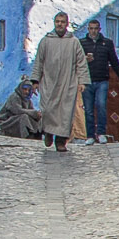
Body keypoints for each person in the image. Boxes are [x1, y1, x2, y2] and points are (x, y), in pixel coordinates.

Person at [30, 11, 86, 152]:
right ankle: (48, 132)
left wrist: (82, 81)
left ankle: (61, 142)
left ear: (67, 24)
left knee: (65, 114)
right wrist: (35, 80)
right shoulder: (46, 41)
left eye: (62, 22)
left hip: (68, 83)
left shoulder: (74, 42)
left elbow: (81, 62)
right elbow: (39, 61)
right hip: (49, 82)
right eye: (57, 21)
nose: (59, 24)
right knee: (48, 109)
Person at [79, 19, 119, 144]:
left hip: (102, 79)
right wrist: (84, 60)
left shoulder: (107, 43)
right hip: (87, 80)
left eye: (96, 28)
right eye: (91, 28)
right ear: (88, 29)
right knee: (88, 109)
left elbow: (114, 60)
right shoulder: (82, 43)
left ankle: (102, 133)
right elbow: (77, 62)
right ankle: (90, 135)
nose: (93, 31)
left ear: (99, 29)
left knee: (101, 106)